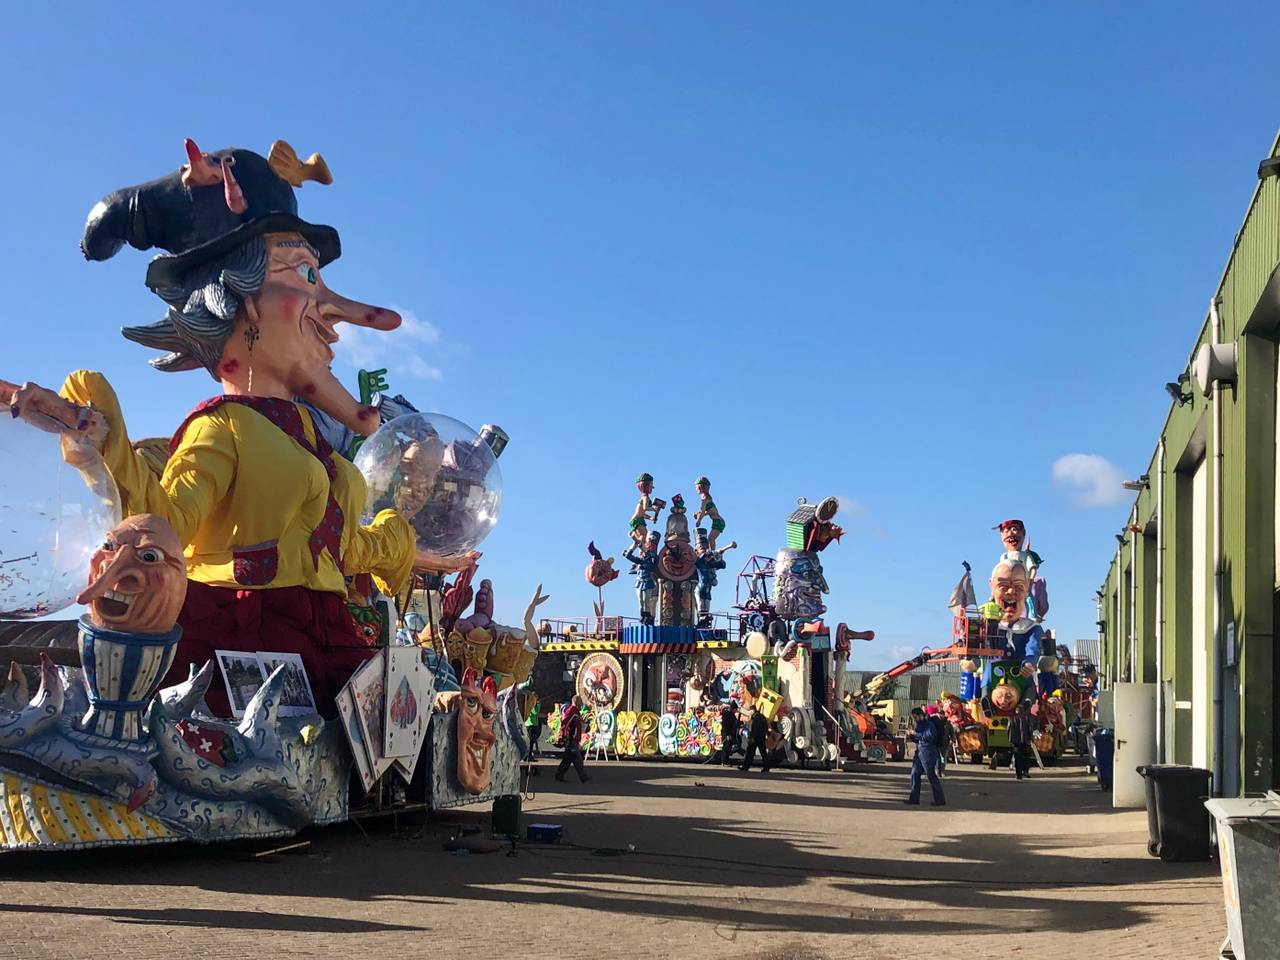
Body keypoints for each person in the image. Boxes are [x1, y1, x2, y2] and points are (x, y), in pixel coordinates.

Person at [904, 707, 946, 806]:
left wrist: (916, 734)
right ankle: (914, 798)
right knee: (915, 773)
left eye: (916, 717)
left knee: (931, 775)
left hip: (928, 752)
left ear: (921, 715)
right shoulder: (918, 725)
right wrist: (911, 736)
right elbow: (918, 739)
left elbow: (929, 737)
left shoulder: (929, 725)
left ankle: (940, 799)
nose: (915, 720)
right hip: (920, 751)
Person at [555, 696, 592, 783]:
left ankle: (559, 774)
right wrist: (564, 735)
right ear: (576, 702)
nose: (582, 704)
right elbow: (565, 723)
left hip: (573, 738)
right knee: (577, 758)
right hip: (571, 739)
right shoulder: (572, 711)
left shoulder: (575, 712)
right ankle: (583, 776)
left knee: (568, 759)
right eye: (580, 701)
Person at [1008, 700, 1036, 780]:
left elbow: (1009, 730)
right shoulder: (1027, 719)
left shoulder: (1012, 719)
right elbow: (1030, 729)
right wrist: (1031, 739)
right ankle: (1025, 771)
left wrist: (1010, 740)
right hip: (1026, 741)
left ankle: (1018, 774)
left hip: (1016, 742)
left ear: (1016, 711)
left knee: (1018, 758)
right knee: (1026, 757)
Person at [740, 706, 772, 773]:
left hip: (755, 738)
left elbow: (754, 728)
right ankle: (766, 767)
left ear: (752, 710)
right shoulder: (762, 717)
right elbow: (765, 727)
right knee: (763, 753)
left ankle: (745, 767)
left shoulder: (755, 718)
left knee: (750, 753)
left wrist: (752, 737)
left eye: (750, 711)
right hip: (761, 738)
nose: (750, 712)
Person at [926, 705, 951, 779]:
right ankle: (938, 771)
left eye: (942, 713)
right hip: (937, 742)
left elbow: (949, 731)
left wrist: (952, 739)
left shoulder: (945, 722)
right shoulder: (935, 720)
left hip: (943, 742)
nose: (941, 715)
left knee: (942, 758)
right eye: (939, 713)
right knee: (938, 758)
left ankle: (940, 771)